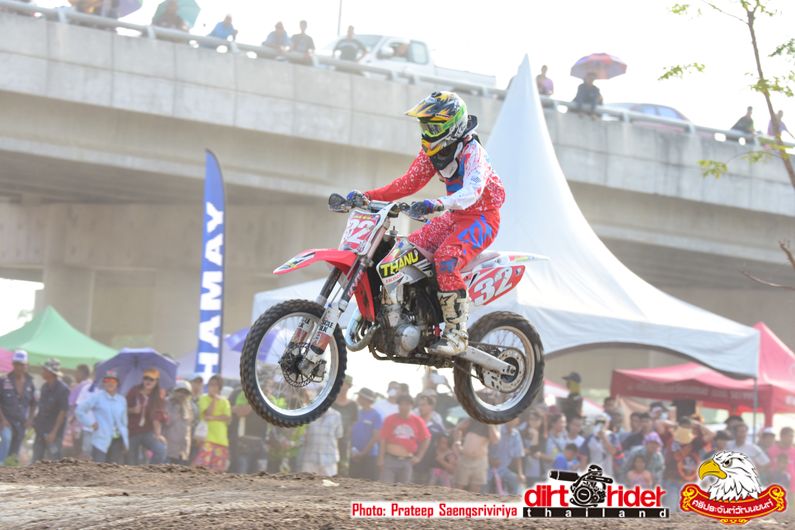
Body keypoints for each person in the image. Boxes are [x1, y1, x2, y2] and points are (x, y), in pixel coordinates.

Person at [351, 91, 505, 355]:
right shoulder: (434, 151)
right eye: (425, 126)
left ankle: (456, 334)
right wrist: (367, 196)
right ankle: (414, 315)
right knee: (403, 253)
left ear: (452, 126)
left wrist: (437, 204)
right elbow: (407, 183)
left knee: (446, 258)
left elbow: (473, 191)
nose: (427, 132)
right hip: (453, 216)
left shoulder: (473, 152)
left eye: (432, 127)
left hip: (482, 218)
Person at [76, 369, 128, 463]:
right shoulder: (97, 397)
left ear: (117, 383)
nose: (110, 383)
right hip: (100, 440)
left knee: (114, 468)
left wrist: (126, 441)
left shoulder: (121, 400)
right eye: (107, 380)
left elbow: (124, 422)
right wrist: (91, 423)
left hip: (117, 441)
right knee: (99, 468)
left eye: (113, 381)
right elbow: (79, 410)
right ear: (103, 383)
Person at [378, 394, 431, 484]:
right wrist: (381, 458)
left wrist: (419, 457)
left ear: (411, 405)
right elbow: (383, 439)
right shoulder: (390, 419)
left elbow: (427, 438)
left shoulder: (417, 421)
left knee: (403, 489)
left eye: (407, 404)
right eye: (401, 404)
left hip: (407, 461)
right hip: (390, 459)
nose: (404, 407)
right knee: (386, 487)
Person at [0, 350, 36, 465]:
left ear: (26, 365)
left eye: (22, 364)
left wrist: (30, 419)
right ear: (13, 364)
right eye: (17, 364)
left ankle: (9, 469)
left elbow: (33, 403)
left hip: (21, 423)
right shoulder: (3, 380)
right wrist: (2, 419)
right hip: (6, 421)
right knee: (6, 440)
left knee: (15, 451)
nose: (19, 367)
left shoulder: (30, 383)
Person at [31, 359, 69, 462]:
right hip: (41, 429)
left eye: (44, 370)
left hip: (54, 432)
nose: (42, 372)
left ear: (51, 372)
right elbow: (41, 408)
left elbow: (63, 412)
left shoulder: (63, 389)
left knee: (54, 460)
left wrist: (53, 432)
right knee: (36, 458)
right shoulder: (44, 387)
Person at [126, 368, 167, 465]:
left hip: (148, 432)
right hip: (132, 431)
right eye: (146, 378)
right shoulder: (134, 390)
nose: (148, 381)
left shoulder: (158, 395)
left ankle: (150, 471)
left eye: (151, 379)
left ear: (156, 381)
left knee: (161, 450)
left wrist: (158, 435)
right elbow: (123, 409)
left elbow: (157, 416)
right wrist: (132, 410)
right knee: (131, 462)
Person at [192, 374, 231, 472]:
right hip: (206, 438)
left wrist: (213, 418)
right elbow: (207, 414)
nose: (212, 387)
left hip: (221, 440)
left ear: (219, 387)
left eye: (215, 385)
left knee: (217, 471)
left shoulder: (225, 401)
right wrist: (214, 400)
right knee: (200, 467)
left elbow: (227, 417)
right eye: (210, 384)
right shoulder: (203, 398)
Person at [227, 385, 268, 474]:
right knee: (241, 472)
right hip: (242, 440)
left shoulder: (267, 395)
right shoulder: (239, 391)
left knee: (257, 474)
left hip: (260, 441)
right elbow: (235, 410)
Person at [454, 418, 499, 492]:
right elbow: (458, 428)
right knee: (458, 487)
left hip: (480, 460)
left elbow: (495, 440)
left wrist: (490, 424)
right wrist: (458, 441)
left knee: (475, 488)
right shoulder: (472, 419)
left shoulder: (493, 424)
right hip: (465, 458)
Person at [299, 407, 343, 476]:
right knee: (307, 482)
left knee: (329, 482)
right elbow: (301, 438)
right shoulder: (307, 413)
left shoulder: (336, 415)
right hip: (309, 459)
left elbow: (338, 437)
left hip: (329, 460)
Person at [350, 387, 382, 480]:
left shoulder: (376, 415)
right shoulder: (356, 413)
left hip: (369, 457)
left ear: (366, 399)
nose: (357, 399)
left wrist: (363, 453)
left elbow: (376, 437)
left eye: (360, 397)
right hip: (354, 455)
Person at [488, 418, 525, 495]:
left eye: (515, 419)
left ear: (518, 421)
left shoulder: (516, 434)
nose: (512, 420)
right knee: (484, 490)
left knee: (518, 483)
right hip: (488, 470)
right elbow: (483, 447)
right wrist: (490, 460)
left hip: (504, 470)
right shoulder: (497, 429)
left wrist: (520, 473)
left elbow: (518, 455)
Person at [331, 375, 358, 477]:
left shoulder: (353, 405)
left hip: (344, 441)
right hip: (330, 440)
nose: (342, 386)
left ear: (349, 386)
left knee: (343, 469)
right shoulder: (330, 402)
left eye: (345, 384)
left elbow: (353, 423)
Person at [164, 381, 194, 465]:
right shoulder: (167, 403)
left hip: (182, 451)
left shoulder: (189, 406)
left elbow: (189, 426)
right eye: (180, 391)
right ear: (175, 391)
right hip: (168, 449)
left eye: (185, 393)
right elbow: (167, 422)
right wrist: (177, 408)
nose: (182, 394)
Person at [766, 426, 794, 492]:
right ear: (782, 436)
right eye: (789, 436)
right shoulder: (771, 450)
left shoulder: (794, 451)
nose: (791, 439)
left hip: (792, 489)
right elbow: (766, 468)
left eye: (792, 436)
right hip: (775, 489)